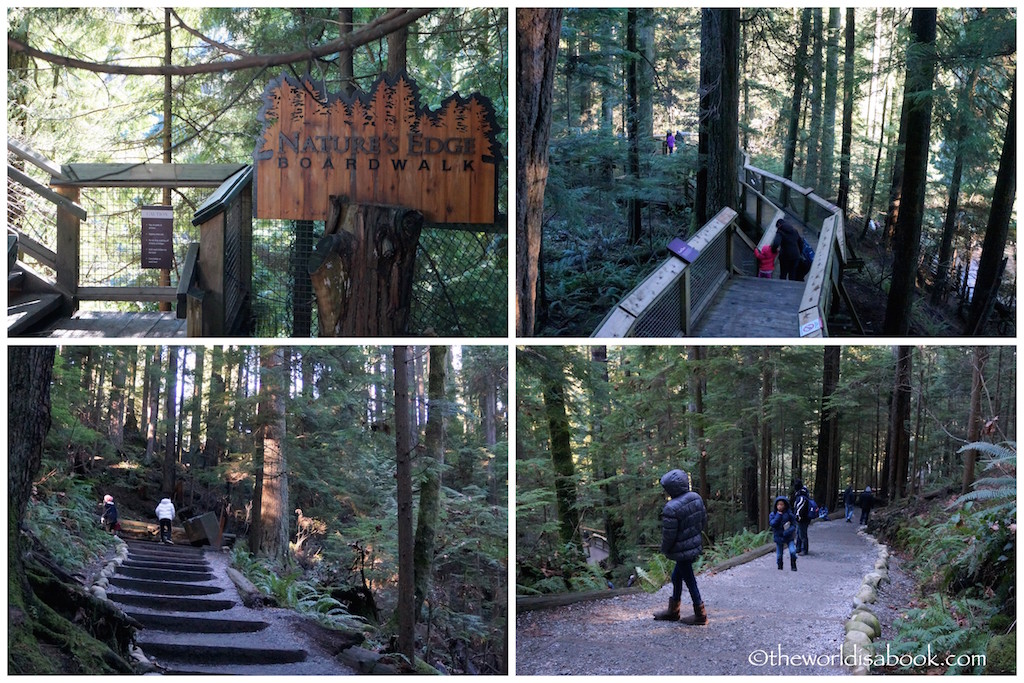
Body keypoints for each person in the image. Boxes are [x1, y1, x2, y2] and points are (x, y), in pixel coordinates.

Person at [652, 469, 708, 625]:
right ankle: (673, 610)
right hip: (693, 545)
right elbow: (703, 520)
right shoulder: (696, 498)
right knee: (677, 577)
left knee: (689, 579)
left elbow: (669, 535)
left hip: (680, 550)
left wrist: (665, 549)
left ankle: (700, 614)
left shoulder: (671, 508)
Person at [768, 496, 798, 571]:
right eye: (778, 504)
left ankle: (793, 564)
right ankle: (780, 566)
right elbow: (773, 524)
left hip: (789, 536)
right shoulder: (773, 514)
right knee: (779, 555)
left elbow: (794, 525)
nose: (780, 506)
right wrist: (779, 515)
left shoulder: (789, 514)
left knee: (793, 551)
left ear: (785, 505)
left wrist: (788, 531)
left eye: (781, 504)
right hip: (779, 537)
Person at [792, 479, 811, 555]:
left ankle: (804, 550)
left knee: (802, 534)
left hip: (803, 519)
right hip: (802, 518)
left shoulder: (801, 497)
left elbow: (800, 509)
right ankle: (798, 548)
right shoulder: (802, 494)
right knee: (798, 533)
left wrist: (797, 517)